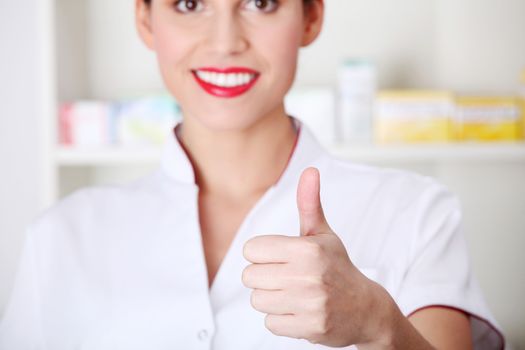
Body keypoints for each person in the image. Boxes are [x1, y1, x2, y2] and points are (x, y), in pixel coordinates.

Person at [0, 0, 505, 349]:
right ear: (145, 19)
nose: (225, 42)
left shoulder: (415, 212)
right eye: (190, 3)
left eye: (260, 2)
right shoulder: (60, 237)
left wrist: (377, 325)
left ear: (311, 18)